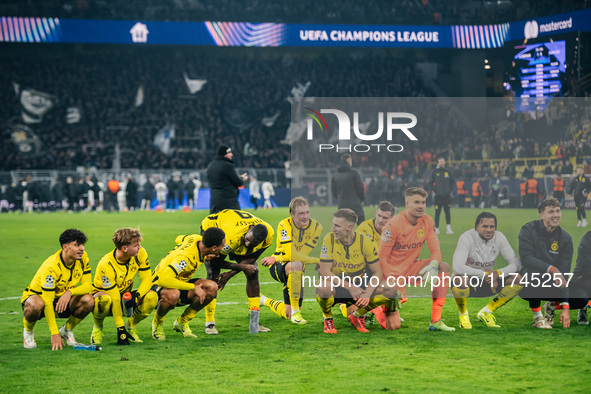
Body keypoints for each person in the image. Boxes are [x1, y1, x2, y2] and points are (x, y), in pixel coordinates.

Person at [379, 187, 455, 332]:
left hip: (410, 268)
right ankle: (374, 308)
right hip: (391, 274)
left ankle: (436, 321)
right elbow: (381, 258)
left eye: (423, 202)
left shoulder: (427, 221)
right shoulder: (393, 225)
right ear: (407, 204)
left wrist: (433, 265)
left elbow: (435, 250)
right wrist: (390, 282)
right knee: (393, 326)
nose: (421, 206)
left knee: (442, 267)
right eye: (416, 202)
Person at [316, 209, 398, 334]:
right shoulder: (329, 239)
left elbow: (377, 272)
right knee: (323, 287)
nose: (332, 229)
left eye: (337, 225)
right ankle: (327, 318)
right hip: (338, 285)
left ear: (349, 227)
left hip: (360, 287)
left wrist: (367, 293)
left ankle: (358, 315)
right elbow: (325, 272)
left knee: (390, 288)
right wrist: (350, 287)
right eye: (333, 224)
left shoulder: (365, 241)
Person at [201, 209, 274, 334]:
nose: (247, 244)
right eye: (248, 239)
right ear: (250, 228)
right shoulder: (231, 236)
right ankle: (210, 323)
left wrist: (230, 274)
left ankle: (254, 321)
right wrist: (238, 268)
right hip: (213, 226)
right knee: (213, 271)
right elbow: (216, 261)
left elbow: (253, 258)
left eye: (253, 243)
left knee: (253, 272)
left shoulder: (268, 235)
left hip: (233, 229)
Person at [21, 229, 94, 350]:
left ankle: (66, 330)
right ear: (65, 247)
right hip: (40, 299)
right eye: (77, 245)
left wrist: (69, 292)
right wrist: (54, 333)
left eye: (82, 245)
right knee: (35, 304)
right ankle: (28, 332)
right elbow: (48, 301)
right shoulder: (51, 267)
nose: (82, 249)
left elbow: (87, 286)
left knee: (88, 300)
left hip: (61, 299)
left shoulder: (83, 258)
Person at [451, 212, 523, 329]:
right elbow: (457, 267)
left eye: (492, 227)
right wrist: (484, 274)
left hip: (489, 281)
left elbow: (517, 264)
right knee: (460, 280)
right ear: (477, 227)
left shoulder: (499, 237)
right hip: (470, 281)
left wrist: (497, 273)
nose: (489, 230)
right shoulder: (466, 238)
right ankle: (463, 316)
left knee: (519, 279)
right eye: (485, 226)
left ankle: (486, 312)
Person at [150, 229, 224, 340]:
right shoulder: (185, 258)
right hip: (158, 286)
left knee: (212, 287)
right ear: (214, 248)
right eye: (222, 246)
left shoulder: (195, 238)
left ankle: (182, 322)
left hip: (178, 282)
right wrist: (193, 287)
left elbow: (179, 238)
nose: (223, 248)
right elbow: (163, 279)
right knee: (173, 294)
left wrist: (204, 255)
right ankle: (157, 323)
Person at [260, 196, 323, 324]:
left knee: (286, 314)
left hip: (291, 267)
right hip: (279, 266)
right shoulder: (284, 225)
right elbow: (292, 254)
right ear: (292, 214)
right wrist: (317, 260)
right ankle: (296, 313)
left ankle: (263, 300)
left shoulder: (316, 227)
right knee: (297, 264)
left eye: (307, 212)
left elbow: (302, 253)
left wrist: (277, 257)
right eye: (301, 213)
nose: (305, 216)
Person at [90, 228, 157, 345]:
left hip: (124, 294)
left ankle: (131, 327)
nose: (140, 247)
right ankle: (97, 328)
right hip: (106, 295)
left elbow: (147, 279)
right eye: (136, 245)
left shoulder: (140, 253)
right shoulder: (106, 264)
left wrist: (137, 295)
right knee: (104, 300)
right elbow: (115, 298)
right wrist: (120, 329)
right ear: (124, 248)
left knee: (152, 297)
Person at [518, 198, 573, 329]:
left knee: (581, 297)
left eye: (558, 211)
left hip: (552, 283)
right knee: (533, 275)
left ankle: (551, 306)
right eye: (551, 212)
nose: (556, 215)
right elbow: (526, 259)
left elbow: (564, 274)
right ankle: (537, 318)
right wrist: (551, 269)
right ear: (541, 215)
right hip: (528, 283)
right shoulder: (528, 229)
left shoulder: (566, 238)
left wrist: (565, 307)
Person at [356, 201, 401, 328]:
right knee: (348, 314)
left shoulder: (395, 231)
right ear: (376, 213)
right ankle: (349, 306)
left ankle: (375, 307)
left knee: (394, 326)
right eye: (379, 216)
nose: (380, 220)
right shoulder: (364, 228)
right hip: (362, 276)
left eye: (385, 218)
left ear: (391, 218)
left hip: (382, 275)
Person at [543, 230, 591, 326]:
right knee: (581, 299)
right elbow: (586, 266)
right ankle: (552, 306)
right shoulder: (588, 238)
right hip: (582, 278)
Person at [206, 145, 247, 214]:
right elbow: (238, 182)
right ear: (225, 154)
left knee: (217, 222)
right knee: (233, 221)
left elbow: (222, 179)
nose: (231, 154)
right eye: (229, 153)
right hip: (228, 201)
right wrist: (242, 178)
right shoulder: (227, 166)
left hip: (214, 201)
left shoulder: (211, 166)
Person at [331, 153, 365, 224]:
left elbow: (334, 192)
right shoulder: (354, 174)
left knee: (344, 228)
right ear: (348, 161)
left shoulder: (335, 176)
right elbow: (360, 189)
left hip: (342, 206)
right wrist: (361, 199)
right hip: (356, 205)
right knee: (362, 227)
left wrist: (341, 198)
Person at [430, 157, 454, 235]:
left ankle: (448, 229)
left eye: (443, 161)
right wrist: (436, 190)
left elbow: (453, 182)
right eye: (441, 162)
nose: (443, 163)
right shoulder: (434, 172)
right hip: (438, 196)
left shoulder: (448, 171)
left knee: (447, 212)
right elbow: (430, 183)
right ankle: (436, 228)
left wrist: (449, 191)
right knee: (437, 212)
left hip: (447, 196)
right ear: (437, 163)